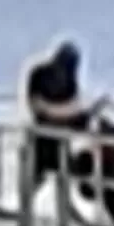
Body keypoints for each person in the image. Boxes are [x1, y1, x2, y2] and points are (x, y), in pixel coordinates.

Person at [23, 40, 96, 177]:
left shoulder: (70, 80)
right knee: (38, 169)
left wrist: (82, 113)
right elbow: (37, 105)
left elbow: (73, 104)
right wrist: (64, 113)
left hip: (61, 132)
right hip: (43, 131)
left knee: (65, 167)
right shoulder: (40, 73)